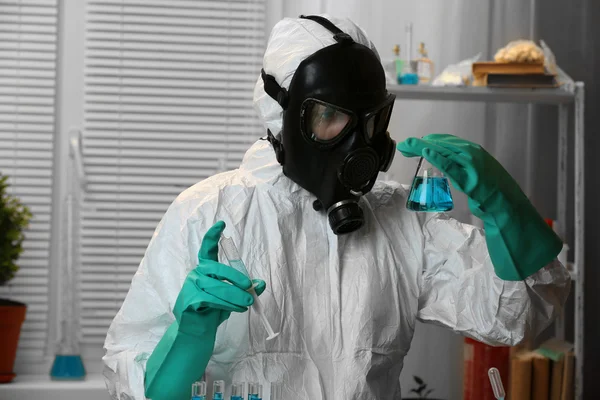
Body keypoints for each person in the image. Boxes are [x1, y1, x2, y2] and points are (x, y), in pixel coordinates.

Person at [102, 15, 571, 400]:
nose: (357, 143)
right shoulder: (208, 212)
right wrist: (189, 337)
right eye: (329, 117)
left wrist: (503, 204)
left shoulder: (401, 220)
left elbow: (519, 314)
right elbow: (136, 385)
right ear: (281, 117)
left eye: (371, 120)